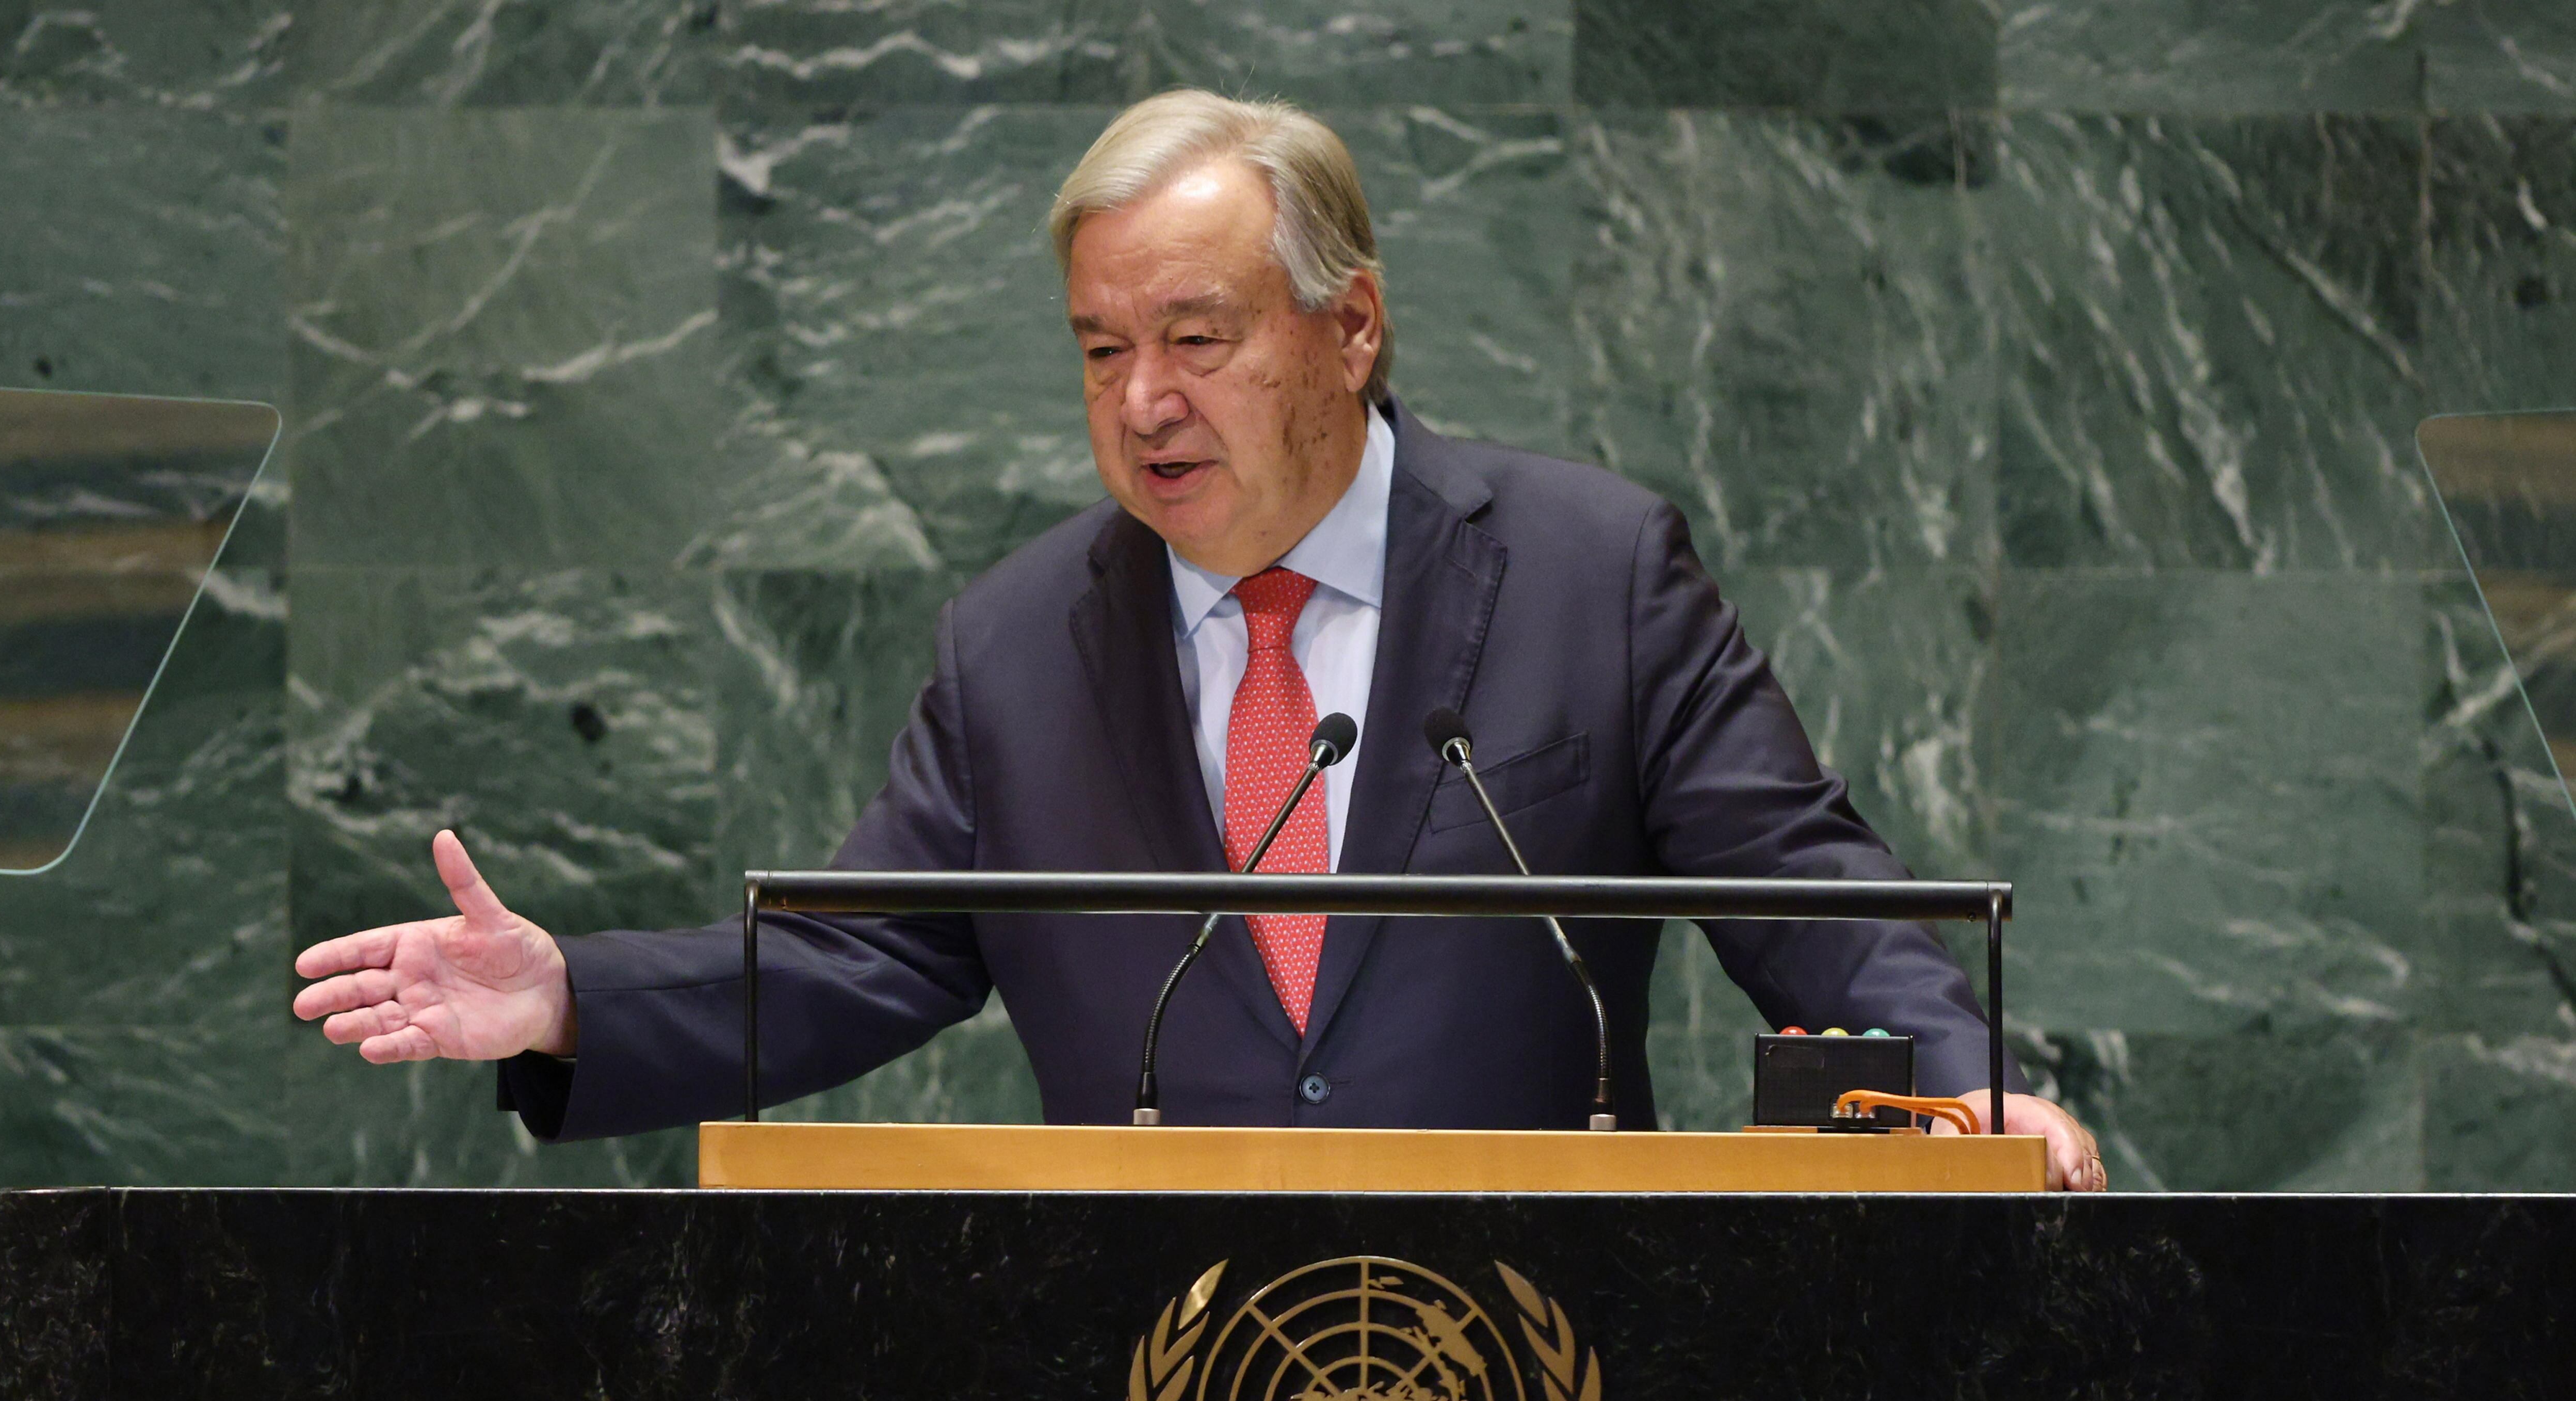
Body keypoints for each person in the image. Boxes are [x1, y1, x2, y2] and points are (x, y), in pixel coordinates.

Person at [292, 90, 2105, 1191]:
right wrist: (570, 999)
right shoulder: (1018, 646)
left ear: (1354, 326)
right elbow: (864, 961)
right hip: (1150, 1385)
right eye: (1099, 349)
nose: (1145, 401)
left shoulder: (1589, 571)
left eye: (1198, 336)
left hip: (1564, 1365)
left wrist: (1964, 1090)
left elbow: (1801, 885)